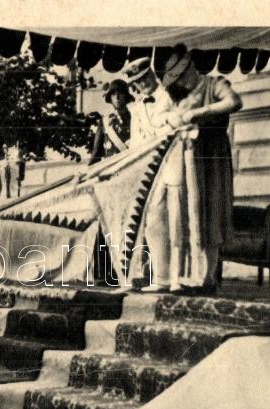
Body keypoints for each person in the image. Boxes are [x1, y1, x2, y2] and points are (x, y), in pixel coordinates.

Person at [146, 43, 242, 294]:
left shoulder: (213, 83)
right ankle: (176, 277)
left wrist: (199, 113)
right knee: (179, 215)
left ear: (191, 68)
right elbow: (157, 117)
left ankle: (205, 278)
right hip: (185, 158)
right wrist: (170, 117)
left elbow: (234, 102)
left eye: (181, 75)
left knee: (210, 215)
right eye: (174, 78)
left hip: (211, 158)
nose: (179, 82)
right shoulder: (174, 93)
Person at [121, 57, 174, 146]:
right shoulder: (137, 108)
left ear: (152, 73)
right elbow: (135, 142)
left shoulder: (170, 95)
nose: (143, 84)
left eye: (145, 77)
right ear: (134, 84)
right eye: (138, 81)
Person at [88, 79, 133, 165]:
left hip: (130, 166)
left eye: (120, 93)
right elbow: (96, 153)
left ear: (126, 96)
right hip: (111, 167)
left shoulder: (135, 117)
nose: (117, 97)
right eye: (113, 94)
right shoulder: (104, 121)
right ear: (110, 99)